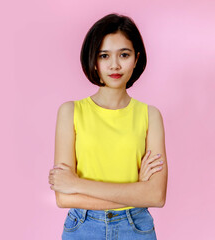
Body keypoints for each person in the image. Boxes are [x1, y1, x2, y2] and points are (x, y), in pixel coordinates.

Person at [48, 13, 168, 240]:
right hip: (83, 227)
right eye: (104, 55)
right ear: (93, 60)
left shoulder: (150, 115)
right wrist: (136, 190)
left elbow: (156, 195)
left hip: (136, 228)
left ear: (136, 58)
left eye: (124, 54)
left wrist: (77, 184)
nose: (114, 65)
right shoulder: (70, 112)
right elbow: (64, 198)